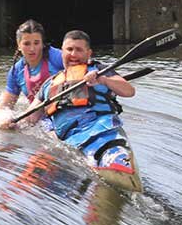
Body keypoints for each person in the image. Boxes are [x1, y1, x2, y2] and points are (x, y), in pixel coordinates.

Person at [9, 30, 136, 171]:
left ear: (88, 53)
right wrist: (12, 124)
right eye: (69, 49)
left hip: (103, 132)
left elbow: (129, 91)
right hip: (69, 144)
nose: (74, 54)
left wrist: (102, 80)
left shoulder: (99, 70)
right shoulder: (49, 84)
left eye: (79, 50)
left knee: (112, 157)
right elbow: (30, 117)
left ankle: (116, 163)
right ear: (62, 52)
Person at [0, 19, 65, 108]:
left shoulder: (57, 57)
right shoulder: (16, 71)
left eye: (36, 43)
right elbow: (5, 106)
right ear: (19, 45)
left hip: (61, 112)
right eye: (27, 44)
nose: (32, 49)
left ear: (42, 44)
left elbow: (84, 65)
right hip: (38, 118)